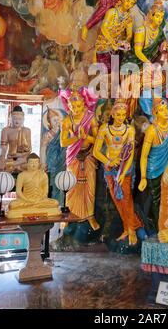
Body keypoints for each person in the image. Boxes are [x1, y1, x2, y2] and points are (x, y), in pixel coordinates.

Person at [93, 99, 142, 246]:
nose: (121, 118)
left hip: (125, 168)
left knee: (126, 199)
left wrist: (122, 173)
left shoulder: (130, 130)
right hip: (110, 169)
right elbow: (96, 152)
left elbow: (131, 153)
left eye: (123, 115)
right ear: (113, 115)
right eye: (118, 114)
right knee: (117, 199)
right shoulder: (104, 129)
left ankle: (132, 230)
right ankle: (127, 227)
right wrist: (108, 161)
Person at [60, 88, 99, 231]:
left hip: (88, 155)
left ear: (84, 104)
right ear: (68, 106)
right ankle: (69, 214)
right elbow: (63, 143)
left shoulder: (90, 117)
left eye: (78, 106)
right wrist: (77, 137)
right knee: (71, 186)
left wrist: (86, 137)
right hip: (73, 156)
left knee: (90, 187)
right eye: (73, 106)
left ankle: (90, 215)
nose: (76, 109)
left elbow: (97, 139)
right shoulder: (67, 121)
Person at [139, 98, 168, 229]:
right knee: (156, 200)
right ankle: (158, 227)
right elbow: (144, 156)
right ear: (155, 113)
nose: (165, 112)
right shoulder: (152, 131)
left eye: (166, 109)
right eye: (161, 110)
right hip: (154, 168)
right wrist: (143, 177)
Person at [95, 0, 138, 72]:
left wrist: (125, 42)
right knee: (104, 72)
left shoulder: (128, 18)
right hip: (104, 45)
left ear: (132, 6)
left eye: (131, 3)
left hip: (117, 48)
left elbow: (129, 35)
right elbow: (104, 28)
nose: (128, 4)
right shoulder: (111, 12)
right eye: (127, 1)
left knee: (116, 72)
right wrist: (112, 41)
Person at [7, 153, 60, 219]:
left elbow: (45, 190)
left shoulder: (43, 175)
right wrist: (27, 200)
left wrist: (41, 198)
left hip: (40, 200)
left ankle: (35, 206)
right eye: (31, 162)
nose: (34, 164)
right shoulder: (22, 175)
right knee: (12, 205)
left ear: (39, 164)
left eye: (36, 162)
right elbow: (18, 191)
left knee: (55, 203)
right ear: (27, 163)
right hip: (26, 200)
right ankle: (34, 206)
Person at [0, 105, 31, 173]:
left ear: (23, 119)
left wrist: (20, 155)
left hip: (23, 159)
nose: (17, 121)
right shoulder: (6, 130)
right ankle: (14, 167)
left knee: (33, 165)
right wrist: (2, 158)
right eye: (15, 118)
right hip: (10, 158)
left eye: (19, 119)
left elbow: (29, 149)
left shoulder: (27, 130)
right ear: (10, 118)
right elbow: (3, 148)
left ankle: (14, 167)